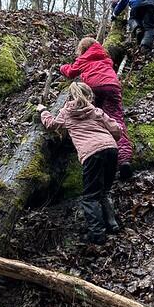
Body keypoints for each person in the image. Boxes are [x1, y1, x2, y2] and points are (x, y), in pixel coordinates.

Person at [36, 81, 121, 245]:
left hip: (91, 154)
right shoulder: (96, 111)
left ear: (70, 96)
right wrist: (112, 140)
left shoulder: (66, 112)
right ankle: (112, 224)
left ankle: (97, 235)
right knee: (104, 191)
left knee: (90, 197)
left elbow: (51, 125)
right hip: (111, 149)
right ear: (89, 96)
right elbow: (115, 129)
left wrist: (43, 111)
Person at [59, 37, 134, 180]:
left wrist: (62, 67)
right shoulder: (106, 58)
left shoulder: (83, 59)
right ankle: (124, 160)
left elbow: (70, 72)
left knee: (93, 117)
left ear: (82, 49)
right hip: (112, 86)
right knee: (116, 119)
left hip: (93, 88)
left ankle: (95, 150)